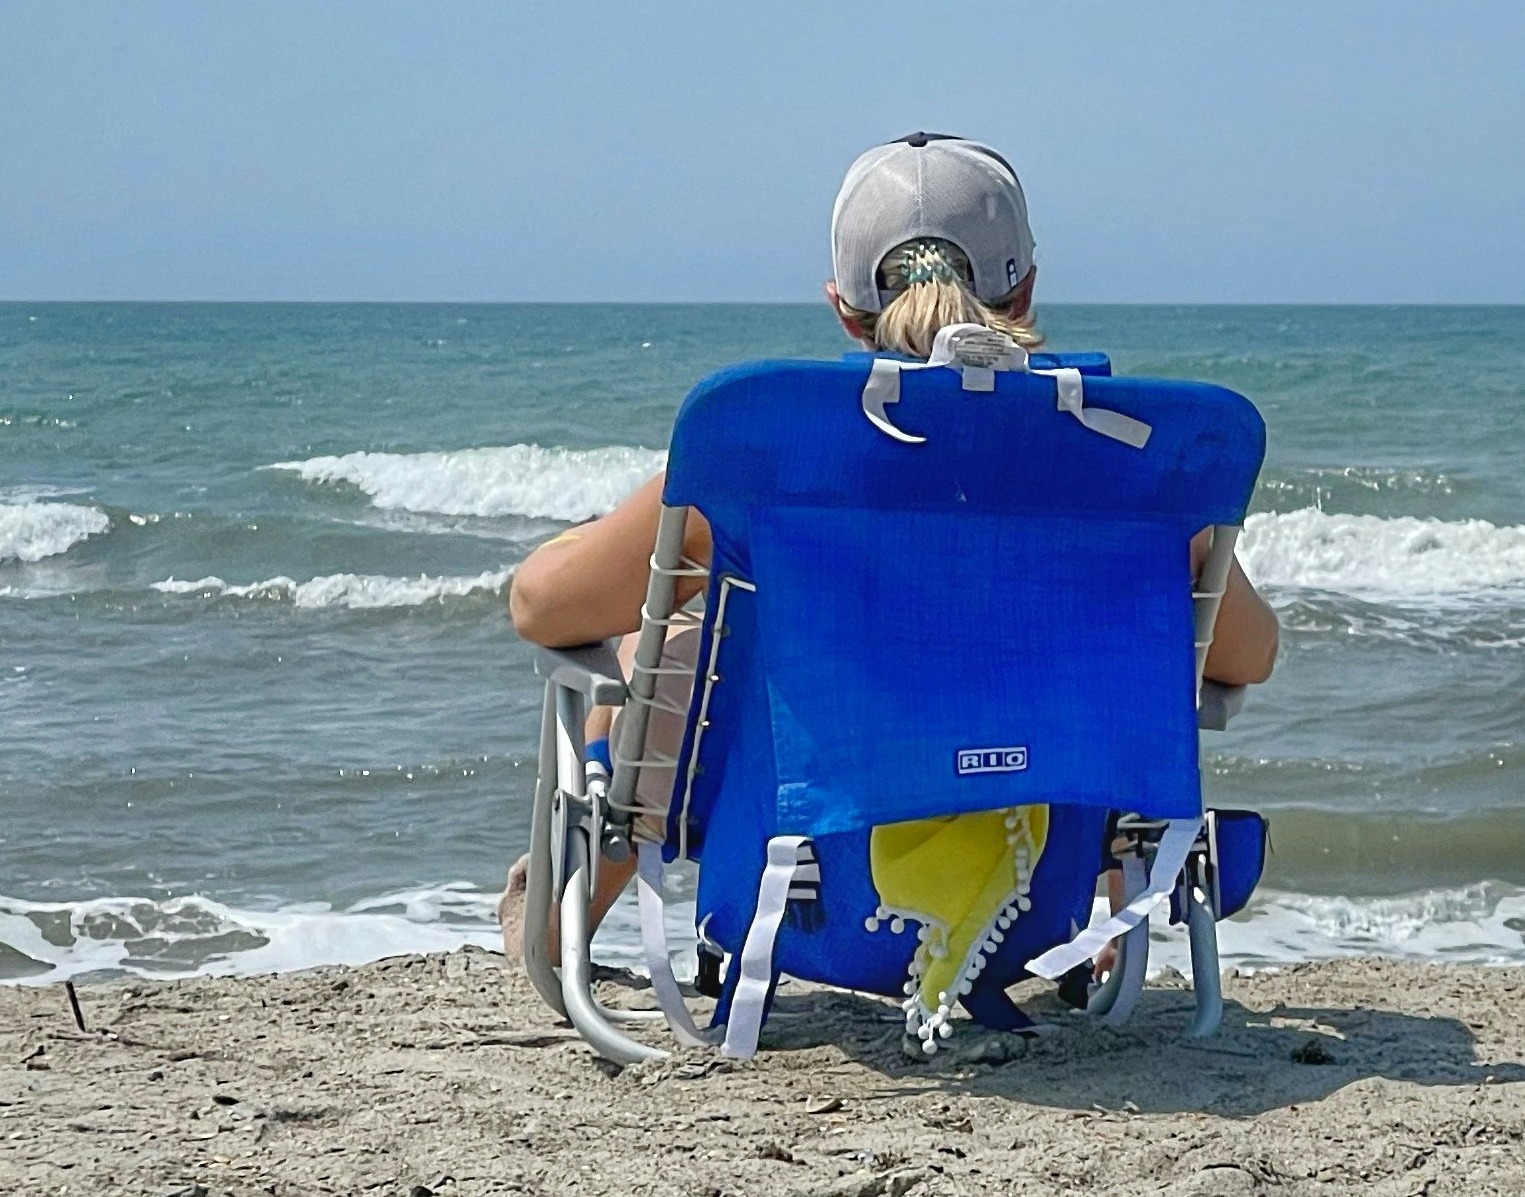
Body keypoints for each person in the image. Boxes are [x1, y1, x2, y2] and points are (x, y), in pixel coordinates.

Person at [499, 132, 1277, 947]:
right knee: (1130, 635)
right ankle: (1116, 930)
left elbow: (542, 607)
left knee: (670, 637)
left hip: (800, 904)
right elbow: (1246, 657)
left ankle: (562, 917)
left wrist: (596, 543)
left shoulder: (764, 454)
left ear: (842, 305)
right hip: (1029, 914)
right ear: (1027, 289)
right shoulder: (1124, 467)